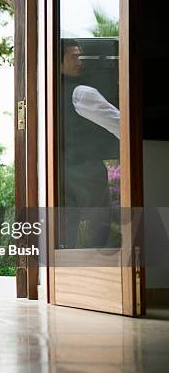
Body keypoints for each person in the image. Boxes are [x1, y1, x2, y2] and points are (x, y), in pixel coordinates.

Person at [60, 38, 120, 248]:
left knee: (67, 234)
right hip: (88, 176)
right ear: (59, 62)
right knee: (98, 231)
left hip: (60, 176)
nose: (80, 62)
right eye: (73, 57)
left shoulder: (46, 97)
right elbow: (122, 126)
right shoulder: (81, 93)